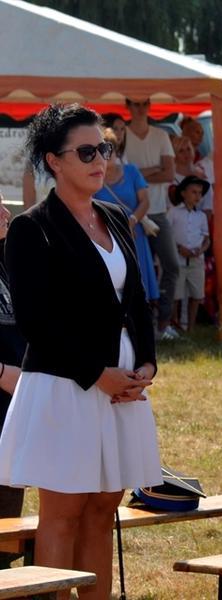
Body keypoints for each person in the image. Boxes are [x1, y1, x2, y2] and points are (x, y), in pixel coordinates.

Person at [0, 104, 161, 600]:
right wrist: (97, 373)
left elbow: (136, 301)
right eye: (87, 151)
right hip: (66, 386)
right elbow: (36, 323)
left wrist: (147, 362)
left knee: (101, 508)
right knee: (65, 511)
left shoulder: (114, 216)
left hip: (122, 390)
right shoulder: (33, 228)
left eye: (105, 149)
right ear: (54, 161)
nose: (100, 160)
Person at [122, 96, 179, 341]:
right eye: (135, 103)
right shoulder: (121, 134)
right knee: (132, 272)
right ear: (128, 106)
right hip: (129, 215)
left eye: (144, 103)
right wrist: (153, 170)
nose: (140, 108)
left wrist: (137, 176)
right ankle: (136, 323)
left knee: (171, 266)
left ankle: (163, 322)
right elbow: (121, 175)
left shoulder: (161, 135)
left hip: (156, 212)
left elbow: (170, 173)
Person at [94, 128, 160, 303]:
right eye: (103, 151)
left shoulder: (132, 171)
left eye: (111, 149)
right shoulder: (92, 177)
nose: (108, 155)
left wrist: (131, 221)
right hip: (106, 236)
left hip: (134, 233)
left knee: (139, 283)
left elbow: (145, 201)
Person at [0, 191, 25, 570]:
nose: (5, 212)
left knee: (8, 501)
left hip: (14, 400)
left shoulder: (7, 259)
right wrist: (3, 373)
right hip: (5, 383)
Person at [168, 176, 211, 333]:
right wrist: (179, 248)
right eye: (194, 192)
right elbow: (167, 236)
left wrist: (201, 249)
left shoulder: (201, 216)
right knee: (176, 295)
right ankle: (175, 325)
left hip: (196, 261)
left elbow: (207, 239)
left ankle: (190, 328)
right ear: (183, 193)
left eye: (200, 193)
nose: (197, 196)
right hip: (178, 259)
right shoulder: (173, 213)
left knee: (196, 295)